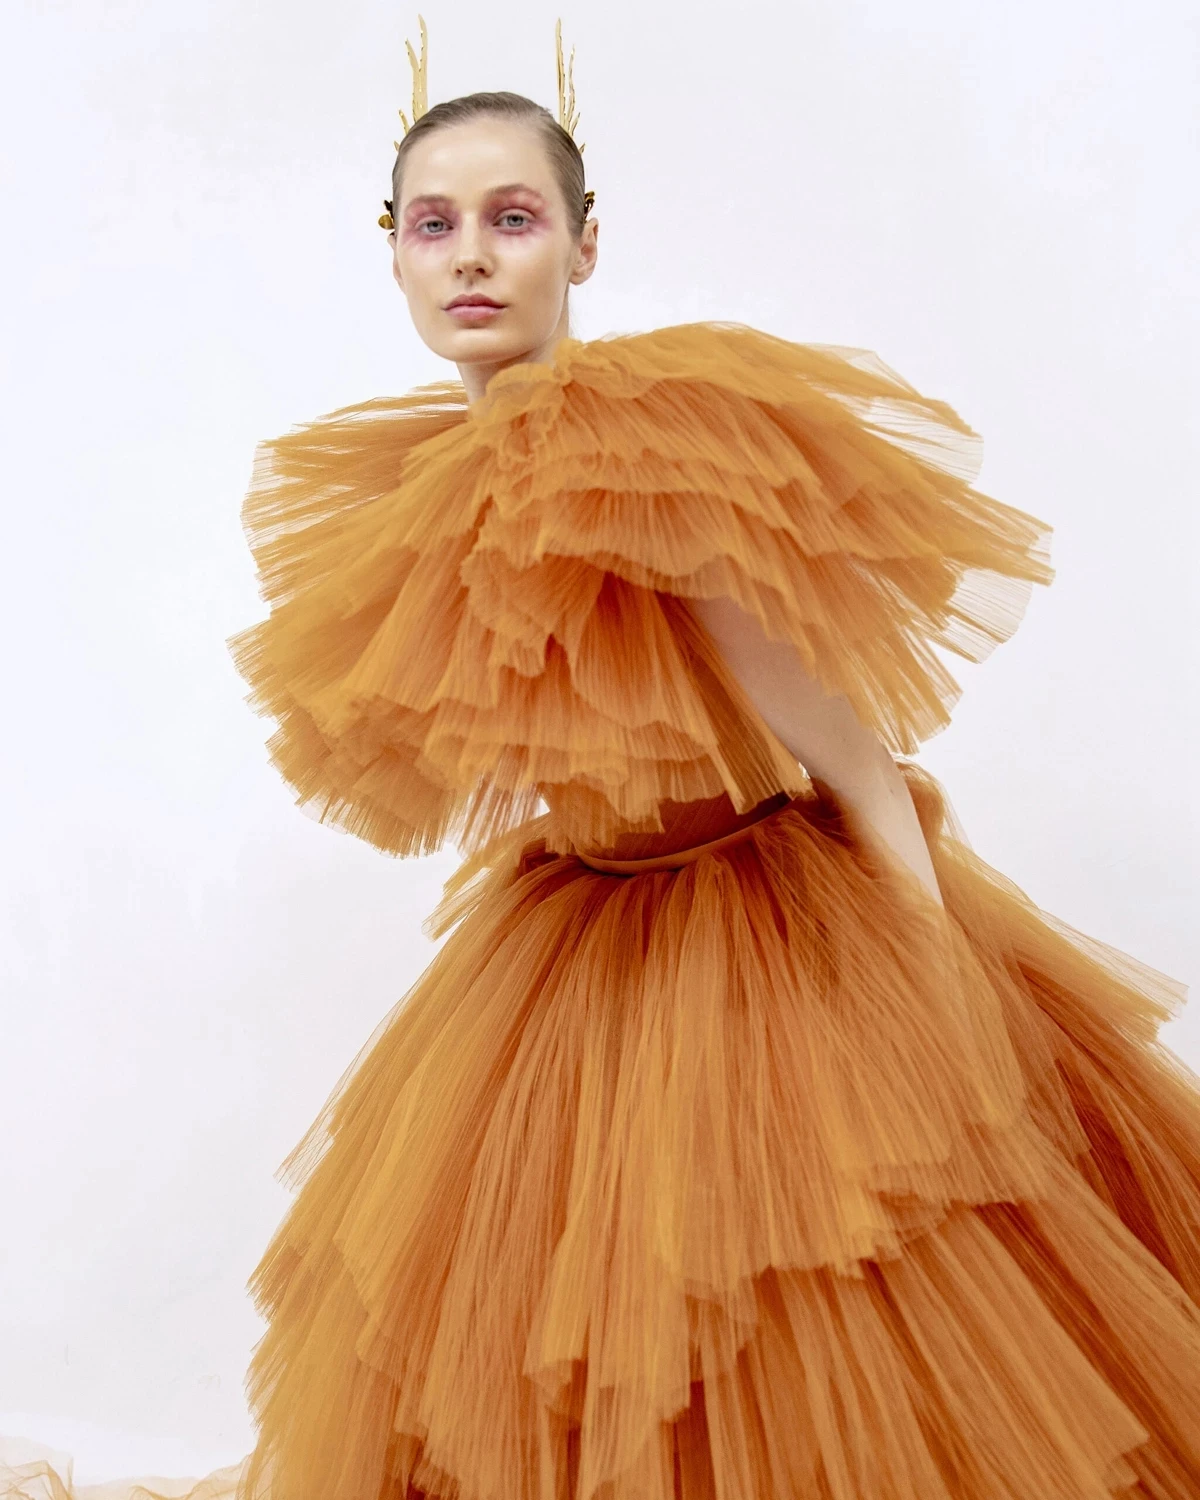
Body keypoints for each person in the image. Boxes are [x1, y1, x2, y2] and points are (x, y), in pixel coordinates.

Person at [6, 15, 1200, 1500]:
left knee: (794, 1305)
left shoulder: (641, 451)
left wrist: (936, 992)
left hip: (764, 931)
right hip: (582, 924)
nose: (471, 258)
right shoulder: (419, 492)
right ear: (394, 255)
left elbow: (856, 758)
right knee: (536, 1313)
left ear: (583, 243)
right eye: (434, 225)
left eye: (513, 220)